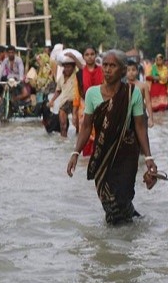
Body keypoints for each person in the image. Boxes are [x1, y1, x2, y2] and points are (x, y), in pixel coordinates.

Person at [66, 49, 159, 225]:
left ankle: (118, 244)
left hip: (126, 157)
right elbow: (86, 126)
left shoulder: (133, 93)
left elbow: (140, 125)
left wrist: (148, 157)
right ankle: (126, 231)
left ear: (123, 70)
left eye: (113, 66)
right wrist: (75, 153)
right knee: (109, 200)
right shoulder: (92, 94)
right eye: (105, 65)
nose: (107, 69)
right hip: (103, 156)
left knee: (120, 199)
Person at [51, 54, 83, 138]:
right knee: (62, 125)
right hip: (64, 102)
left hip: (75, 102)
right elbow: (58, 91)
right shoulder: (61, 78)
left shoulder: (76, 75)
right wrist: (52, 100)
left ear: (73, 67)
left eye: (69, 67)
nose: (67, 69)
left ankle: (77, 140)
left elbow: (82, 68)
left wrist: (73, 57)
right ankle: (63, 141)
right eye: (65, 67)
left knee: (77, 125)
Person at [125, 57, 153, 127]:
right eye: (128, 70)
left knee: (143, 136)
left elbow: (148, 102)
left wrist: (151, 118)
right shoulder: (123, 86)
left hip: (141, 114)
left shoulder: (143, 86)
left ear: (137, 71)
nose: (131, 72)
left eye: (133, 70)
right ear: (125, 73)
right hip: (127, 115)